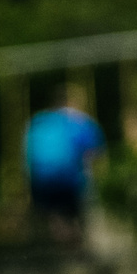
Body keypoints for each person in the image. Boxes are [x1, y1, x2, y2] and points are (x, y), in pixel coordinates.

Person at [24, 85, 104, 244]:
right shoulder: (79, 121)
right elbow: (95, 153)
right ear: (72, 102)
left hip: (42, 182)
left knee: (56, 217)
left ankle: (64, 248)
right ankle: (79, 248)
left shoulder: (38, 122)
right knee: (78, 215)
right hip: (71, 181)